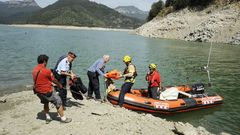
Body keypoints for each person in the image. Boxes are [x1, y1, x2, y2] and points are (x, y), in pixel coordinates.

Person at [32, 54, 72, 124]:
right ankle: (63, 119)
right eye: (47, 61)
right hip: (47, 91)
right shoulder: (46, 70)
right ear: (44, 61)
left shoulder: (34, 70)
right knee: (58, 101)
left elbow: (40, 79)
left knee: (45, 102)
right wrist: (59, 85)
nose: (47, 63)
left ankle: (48, 117)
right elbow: (54, 80)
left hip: (38, 92)